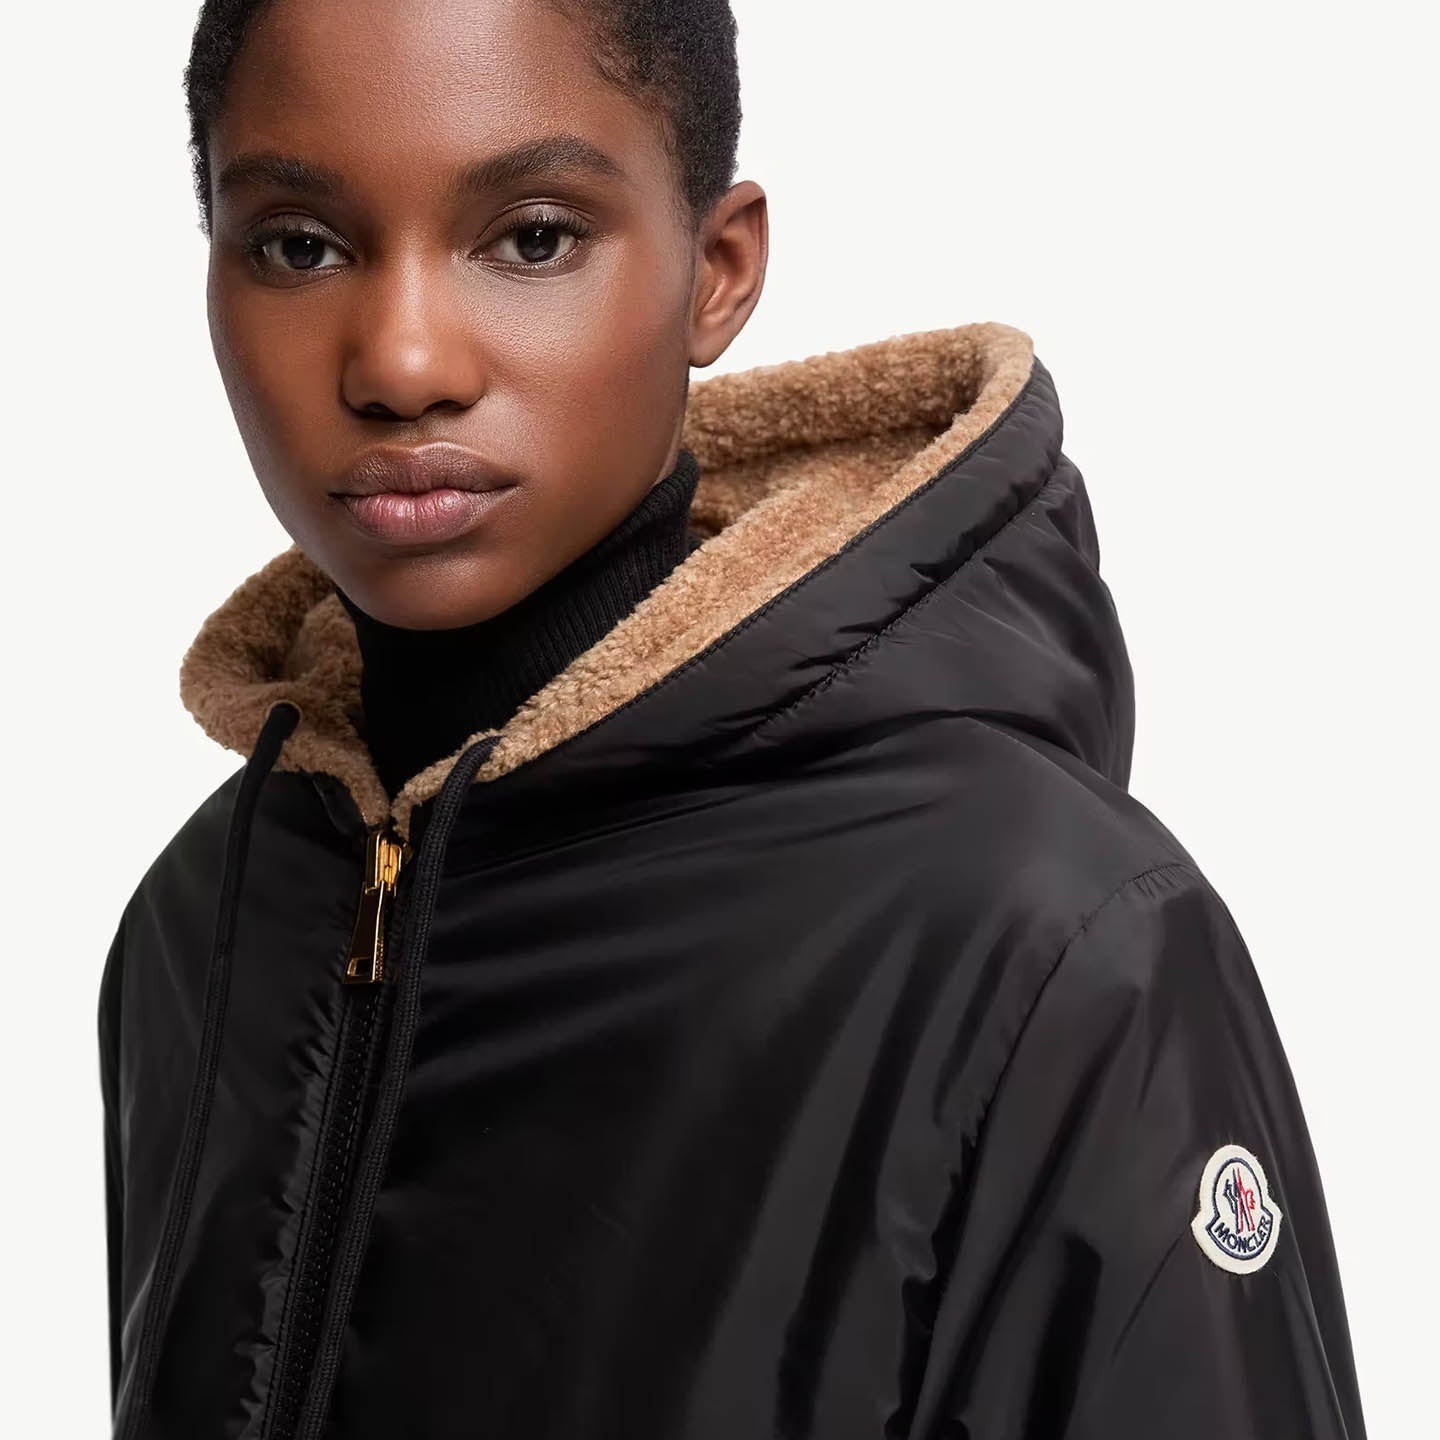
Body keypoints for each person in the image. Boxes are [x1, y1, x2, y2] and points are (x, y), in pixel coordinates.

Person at [97, 1, 1369, 1437]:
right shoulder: (203, 923)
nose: (401, 363)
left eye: (532, 238)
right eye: (298, 247)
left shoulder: (1049, 940)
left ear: (719, 270)